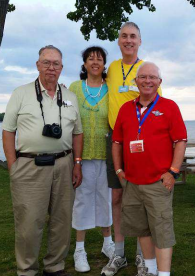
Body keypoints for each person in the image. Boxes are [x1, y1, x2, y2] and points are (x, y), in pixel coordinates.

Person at [2, 45, 83, 276]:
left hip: (64, 164)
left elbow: (78, 132)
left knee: (61, 220)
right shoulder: (21, 93)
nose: (51, 67)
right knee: (29, 222)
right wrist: (12, 165)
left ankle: (55, 267)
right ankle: (27, 269)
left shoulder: (69, 96)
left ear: (62, 68)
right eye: (46, 62)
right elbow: (8, 131)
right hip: (29, 166)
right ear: (38, 65)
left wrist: (77, 163)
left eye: (56, 63)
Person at [112, 61, 187, 276]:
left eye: (152, 77)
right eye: (143, 77)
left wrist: (172, 171)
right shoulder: (126, 109)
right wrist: (119, 171)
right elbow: (116, 142)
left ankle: (164, 273)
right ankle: (151, 269)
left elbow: (180, 140)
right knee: (141, 229)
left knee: (161, 231)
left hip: (158, 182)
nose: (147, 81)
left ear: (159, 82)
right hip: (132, 182)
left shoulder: (169, 106)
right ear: (136, 81)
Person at [102, 21, 162, 276]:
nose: (128, 40)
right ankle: (118, 253)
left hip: (140, 144)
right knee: (117, 197)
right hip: (115, 140)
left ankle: (142, 255)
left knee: (141, 199)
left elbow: (158, 104)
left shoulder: (146, 70)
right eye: (124, 36)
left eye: (133, 37)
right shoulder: (113, 68)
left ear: (140, 41)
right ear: (118, 40)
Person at [68, 46, 115, 273]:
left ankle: (108, 243)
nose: (95, 62)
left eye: (99, 59)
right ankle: (80, 249)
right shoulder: (75, 88)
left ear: (105, 64)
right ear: (84, 64)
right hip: (82, 155)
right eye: (90, 58)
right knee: (82, 201)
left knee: (106, 199)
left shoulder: (111, 88)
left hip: (107, 155)